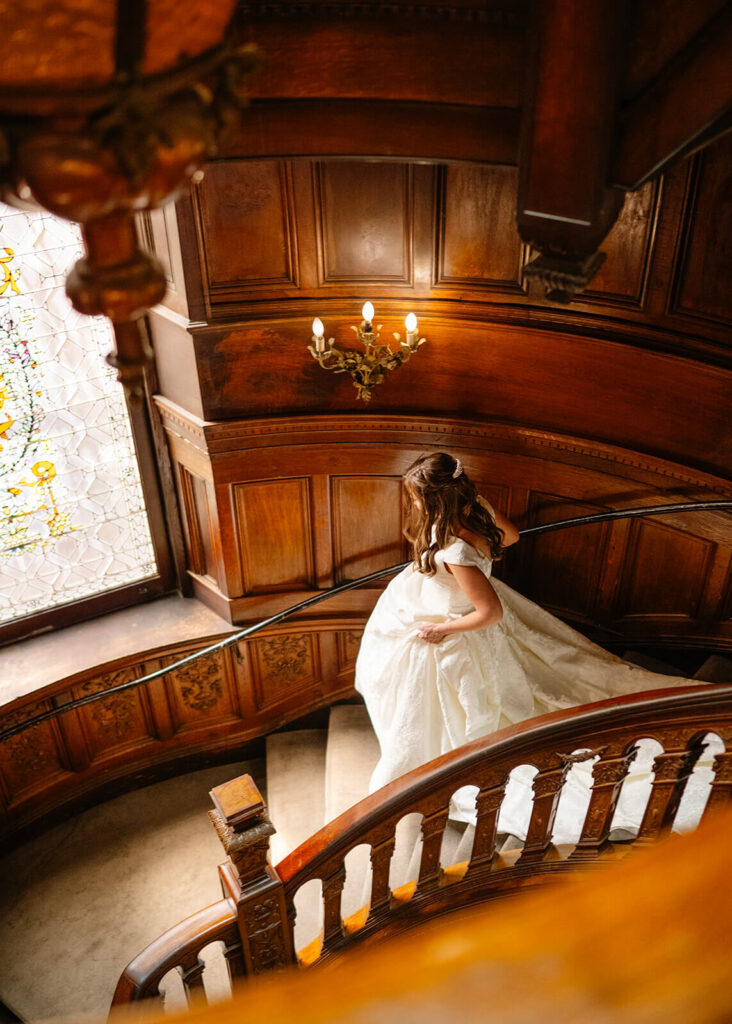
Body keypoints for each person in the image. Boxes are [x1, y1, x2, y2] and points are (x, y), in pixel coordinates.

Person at [354, 451, 714, 841]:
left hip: (460, 629)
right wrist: (482, 531)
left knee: (462, 711)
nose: (414, 503)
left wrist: (445, 630)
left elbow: (490, 613)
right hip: (450, 603)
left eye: (416, 497)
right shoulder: (476, 510)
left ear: (430, 500)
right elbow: (511, 537)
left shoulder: (455, 551)